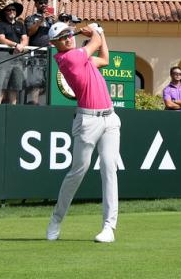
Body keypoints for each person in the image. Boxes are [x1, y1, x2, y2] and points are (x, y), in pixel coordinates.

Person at [46, 21, 119, 244]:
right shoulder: (68, 58)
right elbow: (94, 42)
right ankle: (56, 220)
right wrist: (96, 32)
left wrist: (102, 33)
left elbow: (104, 59)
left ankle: (109, 227)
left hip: (110, 119)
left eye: (70, 34)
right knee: (78, 171)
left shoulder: (82, 57)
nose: (69, 38)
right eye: (63, 37)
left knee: (109, 168)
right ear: (54, 44)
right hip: (87, 121)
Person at [23, 0, 55, 105]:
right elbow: (30, 32)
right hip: (36, 55)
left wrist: (58, 22)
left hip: (49, 54)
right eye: (40, 2)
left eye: (45, 2)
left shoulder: (51, 19)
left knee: (47, 83)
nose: (43, 4)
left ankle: (46, 104)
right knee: (35, 83)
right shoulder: (31, 18)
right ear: (36, 4)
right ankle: (34, 104)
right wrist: (41, 20)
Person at [0, 1, 28, 105]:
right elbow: (2, 39)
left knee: (15, 87)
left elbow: (25, 38)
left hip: (17, 59)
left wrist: (21, 46)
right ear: (5, 12)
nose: (11, 11)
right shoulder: (0, 24)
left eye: (13, 9)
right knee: (1, 86)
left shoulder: (20, 25)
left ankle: (12, 110)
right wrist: (15, 45)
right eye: (8, 10)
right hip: (4, 59)